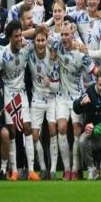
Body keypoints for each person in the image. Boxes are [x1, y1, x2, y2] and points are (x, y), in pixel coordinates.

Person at [0, 20, 37, 181]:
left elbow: (39, 32)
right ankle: (14, 171)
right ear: (9, 38)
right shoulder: (3, 55)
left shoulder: (25, 48)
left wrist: (23, 34)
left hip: (22, 93)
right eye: (16, 36)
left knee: (27, 128)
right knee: (11, 131)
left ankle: (31, 170)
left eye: (20, 35)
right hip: (9, 94)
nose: (19, 39)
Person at [53, 22, 97, 180]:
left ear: (73, 35)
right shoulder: (57, 45)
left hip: (78, 97)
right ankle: (66, 169)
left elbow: (95, 70)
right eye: (62, 34)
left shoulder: (81, 55)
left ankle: (76, 169)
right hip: (62, 97)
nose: (64, 38)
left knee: (77, 131)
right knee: (62, 128)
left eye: (67, 35)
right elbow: (39, 33)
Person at [25, 26, 61, 179]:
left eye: (43, 40)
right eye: (38, 40)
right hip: (37, 98)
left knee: (52, 130)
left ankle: (53, 170)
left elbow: (57, 86)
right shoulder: (29, 53)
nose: (40, 43)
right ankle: (43, 168)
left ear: (47, 40)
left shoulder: (53, 56)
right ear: (34, 41)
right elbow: (20, 38)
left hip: (52, 97)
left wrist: (50, 84)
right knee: (34, 136)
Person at [74, 68, 101, 181]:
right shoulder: (90, 92)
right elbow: (75, 108)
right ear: (96, 83)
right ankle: (92, 169)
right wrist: (81, 102)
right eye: (100, 85)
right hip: (93, 136)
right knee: (82, 139)